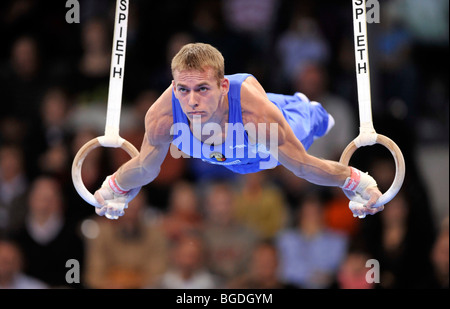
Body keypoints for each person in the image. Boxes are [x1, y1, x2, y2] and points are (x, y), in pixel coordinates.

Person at [92, 43, 383, 220]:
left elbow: (305, 168)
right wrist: (111, 187)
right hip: (229, 156)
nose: (191, 101)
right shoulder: (162, 116)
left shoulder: (254, 114)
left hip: (268, 147)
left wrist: (359, 182)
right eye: (183, 89)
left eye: (202, 89)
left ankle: (306, 108)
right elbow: (145, 168)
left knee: (315, 121)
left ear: (223, 86)